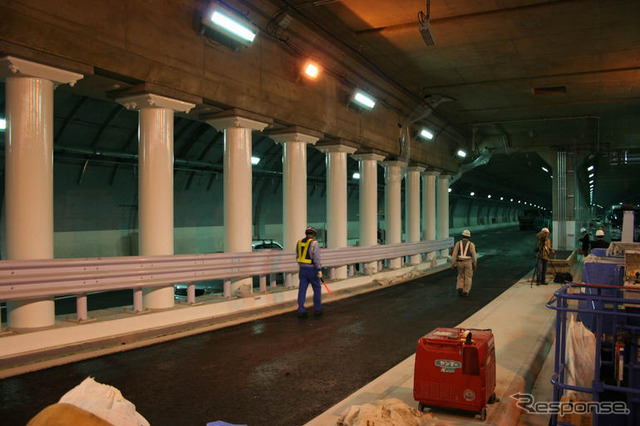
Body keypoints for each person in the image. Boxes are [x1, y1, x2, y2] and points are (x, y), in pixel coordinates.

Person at [296, 226, 323, 318]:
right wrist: (319, 269)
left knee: (302, 290)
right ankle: (317, 309)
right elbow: (317, 258)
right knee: (317, 289)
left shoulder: (299, 243)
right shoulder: (314, 243)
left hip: (302, 270)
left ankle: (301, 310)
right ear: (314, 234)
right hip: (312, 269)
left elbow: (297, 256)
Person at [451, 229, 477, 297]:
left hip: (459, 262)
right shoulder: (471, 244)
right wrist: (475, 263)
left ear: (462, 236)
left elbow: (454, 254)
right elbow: (474, 254)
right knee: (468, 276)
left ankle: (460, 287)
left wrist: (453, 263)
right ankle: (466, 291)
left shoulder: (458, 243)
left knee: (460, 275)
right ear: (469, 237)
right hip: (468, 262)